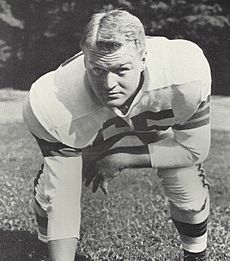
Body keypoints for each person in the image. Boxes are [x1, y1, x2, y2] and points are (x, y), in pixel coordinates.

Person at [23, 9, 211, 261]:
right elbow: (63, 201)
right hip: (94, 128)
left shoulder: (184, 73)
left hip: (153, 117)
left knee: (186, 182)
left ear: (144, 58)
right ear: (85, 61)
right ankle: (41, 247)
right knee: (54, 191)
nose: (109, 84)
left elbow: (193, 149)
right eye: (97, 70)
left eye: (121, 70)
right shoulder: (53, 101)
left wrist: (122, 158)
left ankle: (196, 255)